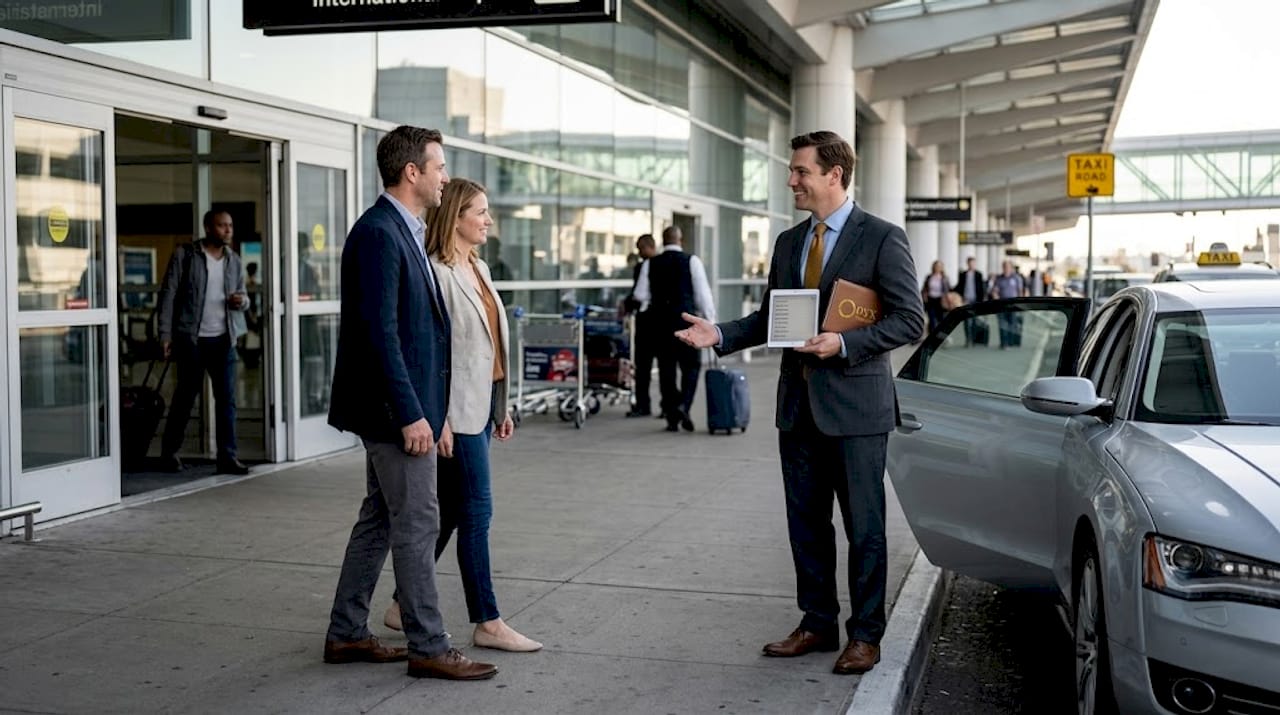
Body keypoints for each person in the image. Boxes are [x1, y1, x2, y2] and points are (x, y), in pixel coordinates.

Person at [675, 131, 923, 675]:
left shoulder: (882, 237)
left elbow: (911, 319)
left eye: (800, 172)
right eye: (792, 171)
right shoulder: (790, 243)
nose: (791, 181)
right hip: (798, 408)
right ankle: (816, 622)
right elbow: (772, 318)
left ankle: (865, 633)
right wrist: (719, 332)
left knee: (865, 526)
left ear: (834, 175)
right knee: (806, 523)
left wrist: (845, 342)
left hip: (857, 410)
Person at [323, 125, 497, 681]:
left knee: (379, 519)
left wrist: (434, 411)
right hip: (392, 413)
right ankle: (429, 644)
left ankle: (347, 633)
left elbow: (422, 334)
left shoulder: (407, 232)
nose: (446, 176)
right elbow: (381, 335)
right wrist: (412, 414)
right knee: (420, 521)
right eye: (440, 166)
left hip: (408, 410)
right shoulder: (378, 233)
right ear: (412, 172)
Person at [381, 178, 542, 654]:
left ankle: (399, 603)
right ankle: (487, 621)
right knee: (477, 514)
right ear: (456, 218)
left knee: (452, 513)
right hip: (453, 415)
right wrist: (441, 418)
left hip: (482, 409)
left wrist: (501, 405)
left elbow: (489, 346)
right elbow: (436, 355)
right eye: (482, 212)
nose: (489, 219)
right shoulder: (436, 274)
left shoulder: (479, 268)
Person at [155, 209, 250, 476]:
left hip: (224, 339)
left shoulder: (234, 261)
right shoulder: (185, 256)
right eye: (222, 226)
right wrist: (165, 335)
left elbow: (245, 297)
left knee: (227, 401)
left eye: (230, 225)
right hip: (192, 340)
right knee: (185, 399)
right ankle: (169, 453)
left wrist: (241, 301)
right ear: (208, 227)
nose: (228, 230)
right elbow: (168, 296)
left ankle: (227, 457)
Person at [634, 225, 716, 432]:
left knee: (666, 369)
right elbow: (703, 296)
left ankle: (672, 416)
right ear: (680, 241)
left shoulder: (650, 264)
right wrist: (710, 321)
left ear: (662, 241)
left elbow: (640, 295)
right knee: (691, 367)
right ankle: (684, 405)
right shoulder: (692, 261)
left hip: (659, 325)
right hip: (686, 323)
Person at [624, 233, 658, 418]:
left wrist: (627, 305)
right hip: (663, 322)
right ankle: (668, 407)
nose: (639, 252)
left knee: (643, 365)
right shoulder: (667, 264)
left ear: (648, 246)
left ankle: (643, 405)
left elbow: (639, 294)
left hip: (646, 321)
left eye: (640, 248)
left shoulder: (645, 266)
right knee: (665, 365)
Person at [989, 261, 1026, 348]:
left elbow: (1020, 291)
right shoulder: (999, 279)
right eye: (1004, 267)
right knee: (1002, 324)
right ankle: (1004, 343)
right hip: (1002, 305)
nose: (1006, 268)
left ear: (1011, 268)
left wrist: (1019, 303)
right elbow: (995, 291)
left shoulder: (1016, 278)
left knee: (1011, 324)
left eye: (1008, 267)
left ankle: (1010, 342)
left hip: (1013, 306)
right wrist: (996, 298)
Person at [953, 256, 984, 346]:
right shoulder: (963, 274)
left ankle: (974, 339)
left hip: (975, 300)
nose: (971, 265)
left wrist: (981, 301)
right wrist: (951, 292)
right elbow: (959, 286)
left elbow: (981, 288)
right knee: (966, 321)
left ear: (975, 264)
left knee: (974, 320)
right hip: (965, 300)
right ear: (967, 264)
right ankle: (968, 339)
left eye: (973, 263)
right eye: (970, 263)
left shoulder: (979, 274)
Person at [920, 260, 949, 335]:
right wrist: (924, 296)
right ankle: (932, 336)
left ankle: (942, 335)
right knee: (932, 319)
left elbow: (947, 290)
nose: (938, 268)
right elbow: (924, 288)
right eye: (936, 266)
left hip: (940, 300)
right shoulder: (929, 277)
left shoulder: (944, 278)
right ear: (933, 267)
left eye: (939, 266)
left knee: (941, 319)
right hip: (930, 300)